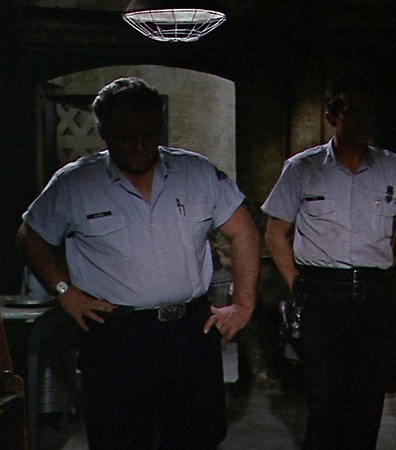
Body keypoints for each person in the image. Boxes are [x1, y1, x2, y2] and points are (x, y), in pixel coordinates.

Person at [19, 76, 259, 449]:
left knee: (197, 437)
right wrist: (64, 291)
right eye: (126, 136)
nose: (140, 146)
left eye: (149, 134)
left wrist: (243, 304)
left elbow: (244, 233)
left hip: (189, 334)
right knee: (119, 439)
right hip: (116, 337)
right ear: (103, 132)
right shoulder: (75, 183)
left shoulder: (196, 173)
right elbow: (29, 236)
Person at [262, 75, 396, 449]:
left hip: (374, 297)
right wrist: (296, 284)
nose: (363, 120)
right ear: (332, 117)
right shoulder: (302, 168)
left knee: (367, 402)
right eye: (352, 112)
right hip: (321, 296)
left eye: (369, 112)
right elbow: (275, 233)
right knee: (325, 402)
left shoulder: (393, 168)